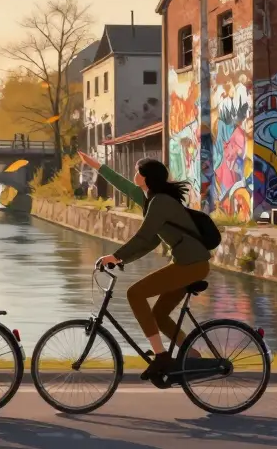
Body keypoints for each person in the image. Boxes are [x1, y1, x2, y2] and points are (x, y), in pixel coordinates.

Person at [79, 151, 211, 383]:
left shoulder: (160, 202)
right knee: (159, 315)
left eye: (138, 172)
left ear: (146, 177)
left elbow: (144, 236)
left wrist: (115, 256)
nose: (134, 175)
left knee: (135, 293)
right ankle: (192, 357)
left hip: (191, 265)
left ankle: (161, 355)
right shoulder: (151, 199)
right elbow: (150, 240)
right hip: (188, 263)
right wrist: (96, 165)